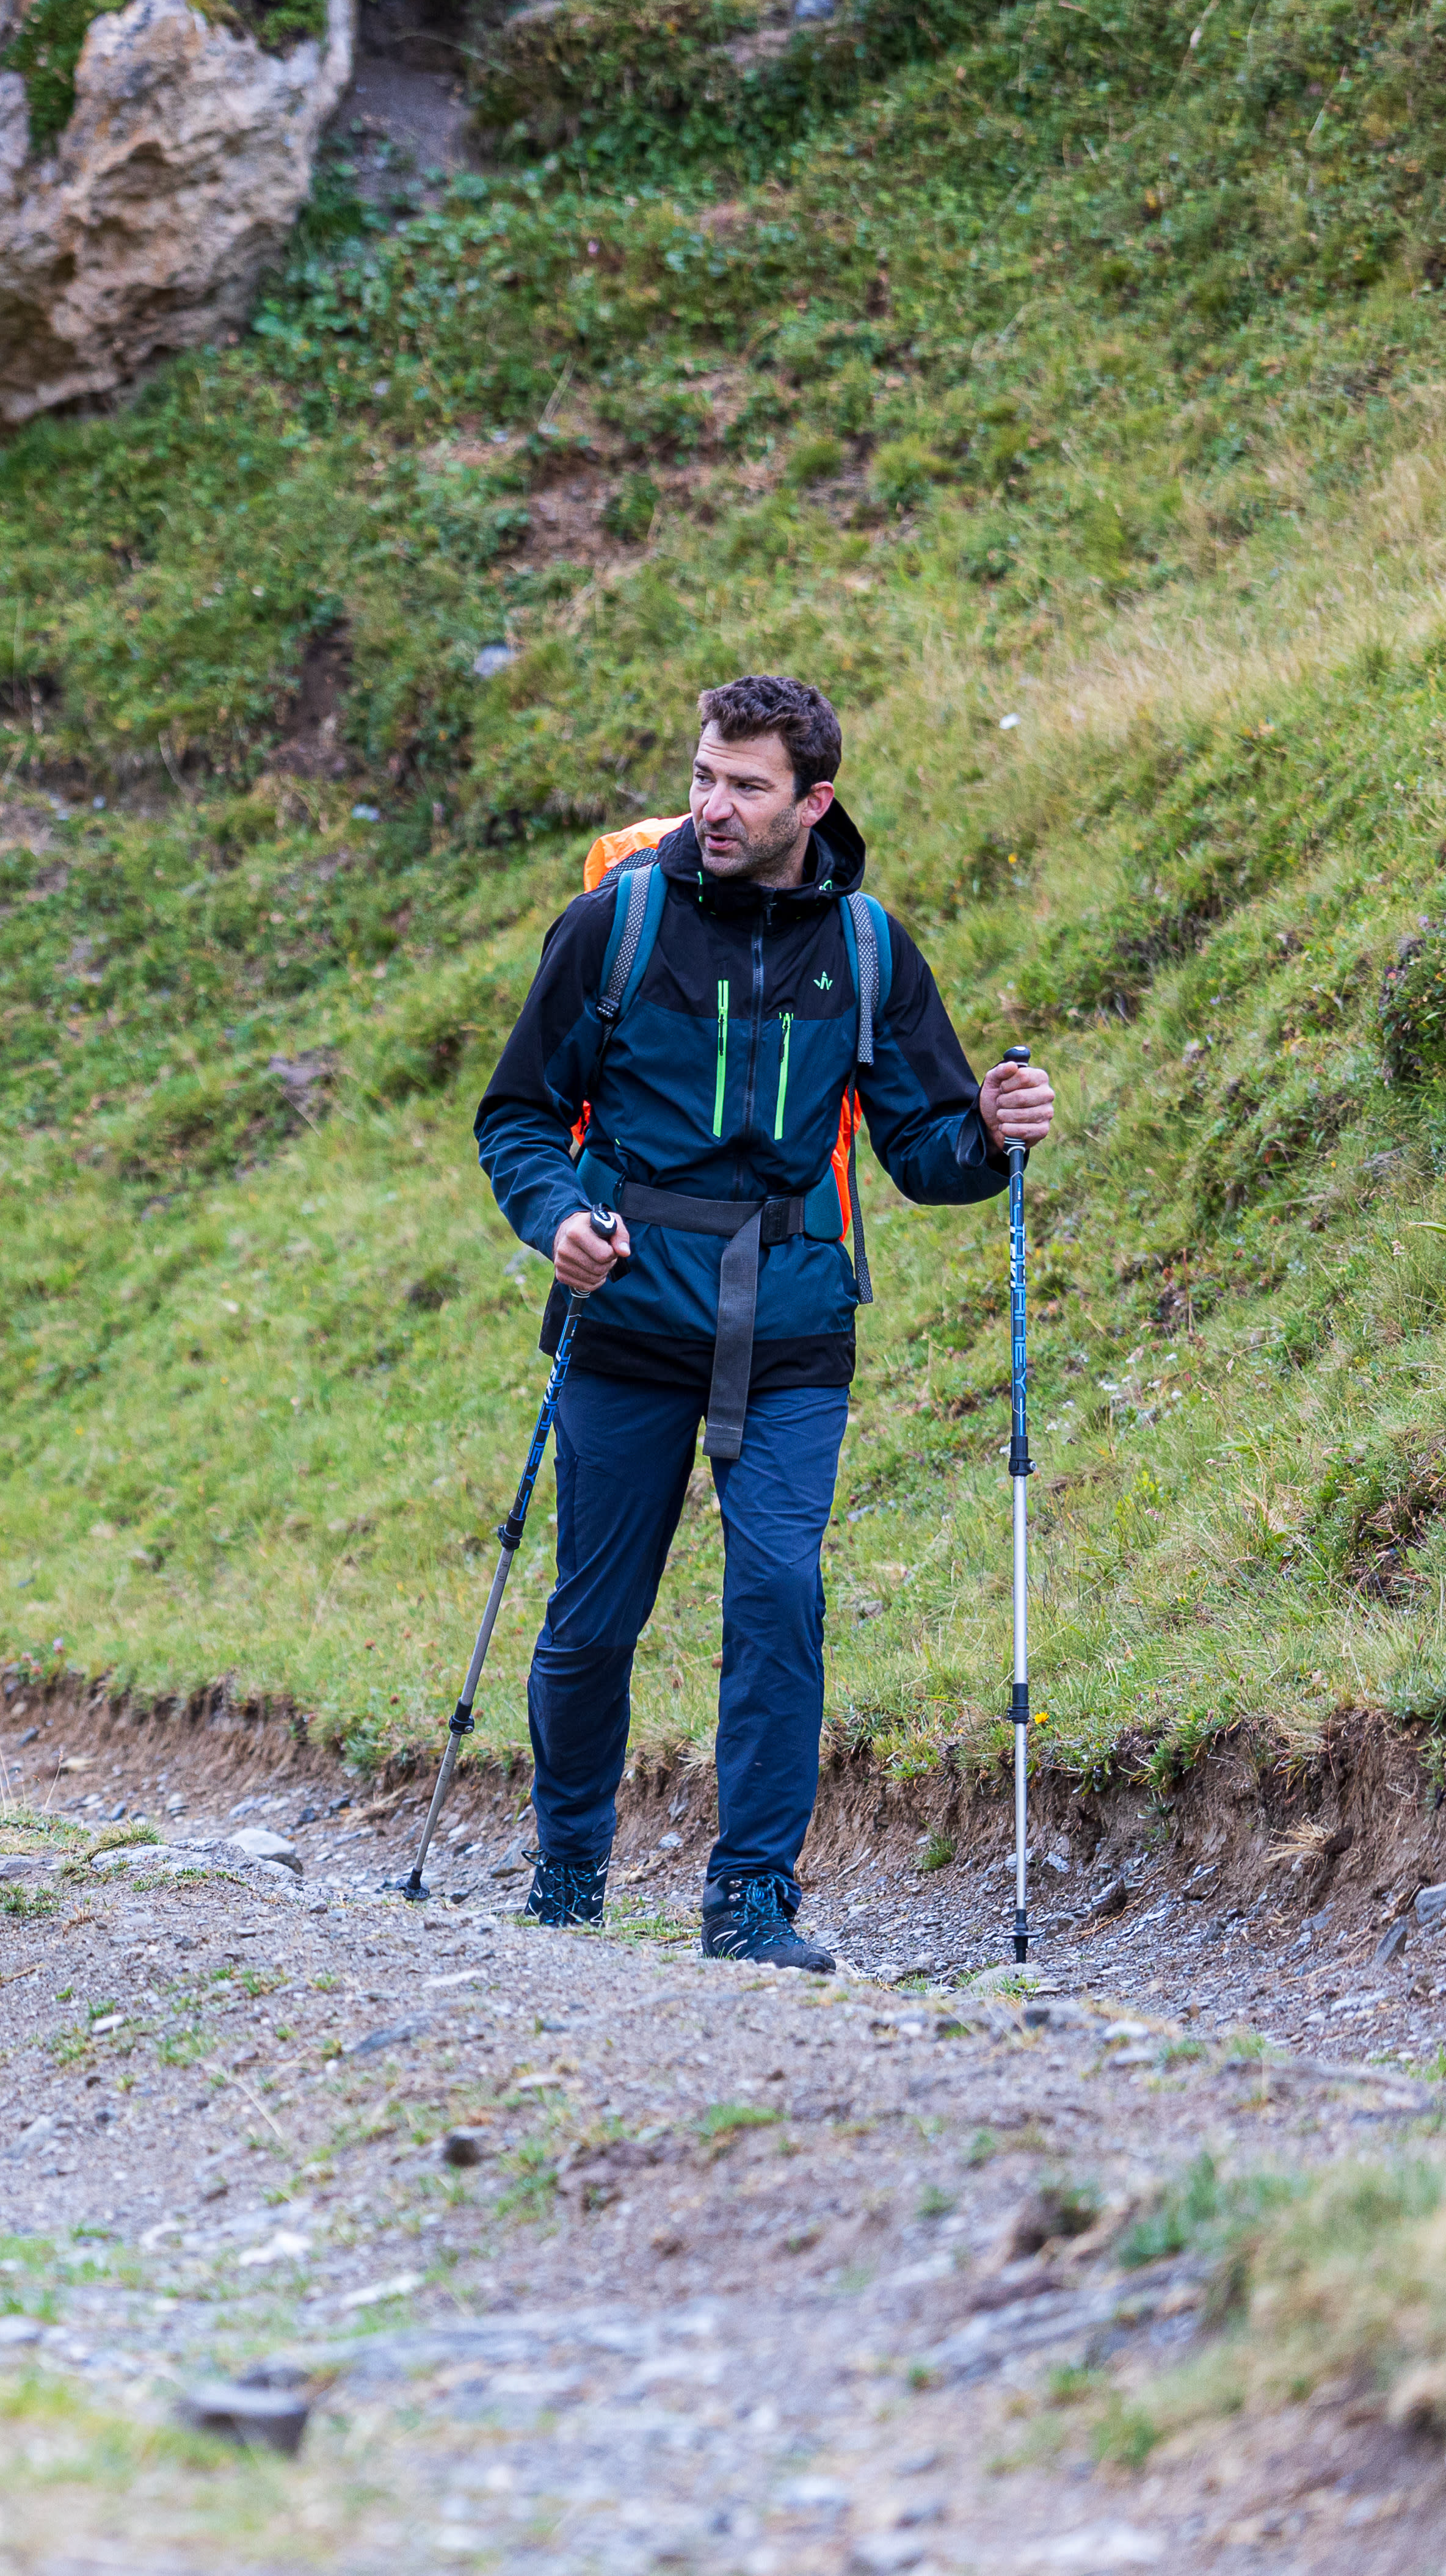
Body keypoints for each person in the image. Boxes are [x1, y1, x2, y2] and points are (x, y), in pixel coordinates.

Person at [476, 673, 1058, 1972]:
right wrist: (554, 1214)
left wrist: (995, 1132)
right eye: (702, 776)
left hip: (793, 1325)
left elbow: (926, 1147)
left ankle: (751, 1899)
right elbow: (516, 1113)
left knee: (780, 1594)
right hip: (626, 1313)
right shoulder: (613, 924)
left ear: (815, 800)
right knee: (595, 1615)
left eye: (745, 784)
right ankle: (569, 1865)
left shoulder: (865, 950)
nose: (712, 806)